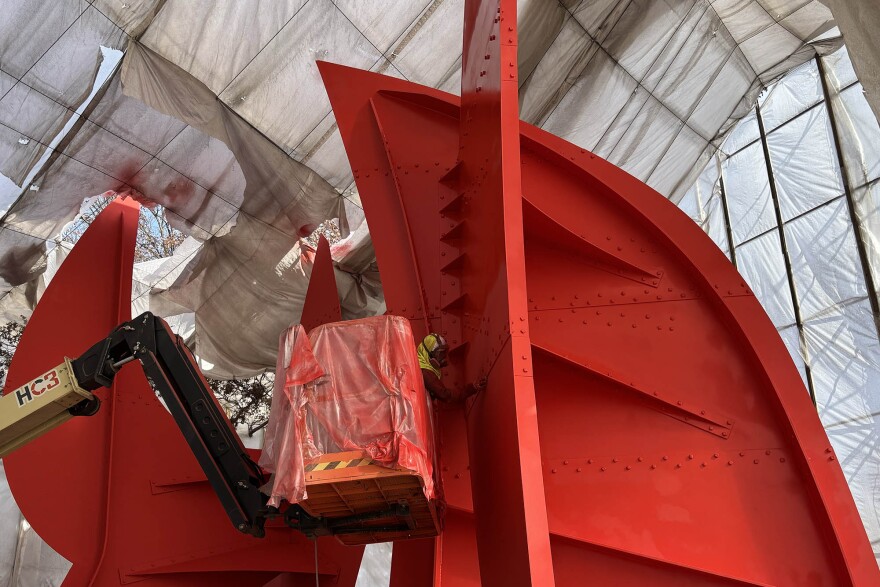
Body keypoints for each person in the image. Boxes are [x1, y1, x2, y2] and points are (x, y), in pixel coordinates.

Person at [417, 333, 485, 401]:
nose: (443, 358)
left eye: (444, 353)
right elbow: (445, 395)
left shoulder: (422, 364)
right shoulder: (426, 373)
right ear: (429, 354)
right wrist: (472, 388)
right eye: (440, 354)